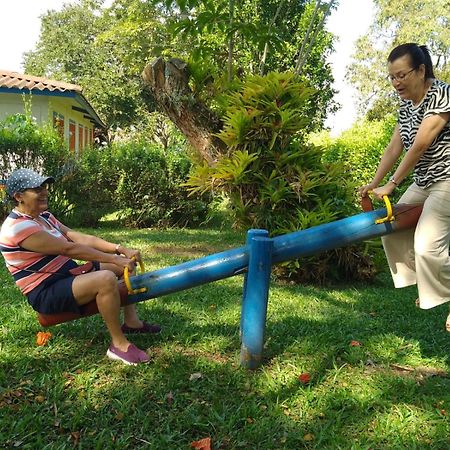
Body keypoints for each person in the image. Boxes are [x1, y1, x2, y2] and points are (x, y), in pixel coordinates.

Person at [0, 168, 161, 365]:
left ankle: (132, 322)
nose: (44, 192)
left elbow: (79, 238)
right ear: (19, 197)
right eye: (36, 189)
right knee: (106, 279)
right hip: (46, 291)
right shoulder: (18, 228)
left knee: (123, 268)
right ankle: (118, 345)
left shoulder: (43, 217)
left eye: (44, 186)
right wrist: (114, 259)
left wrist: (120, 249)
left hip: (66, 275)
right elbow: (69, 249)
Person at [359, 43, 450, 332]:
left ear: (421, 70)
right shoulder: (405, 106)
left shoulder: (441, 94)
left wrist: (393, 183)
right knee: (391, 229)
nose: (396, 82)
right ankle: (429, 284)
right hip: (424, 181)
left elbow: (421, 144)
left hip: (447, 180)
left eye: (402, 75)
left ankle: (439, 285)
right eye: (392, 77)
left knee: (426, 246)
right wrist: (374, 183)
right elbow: (394, 147)